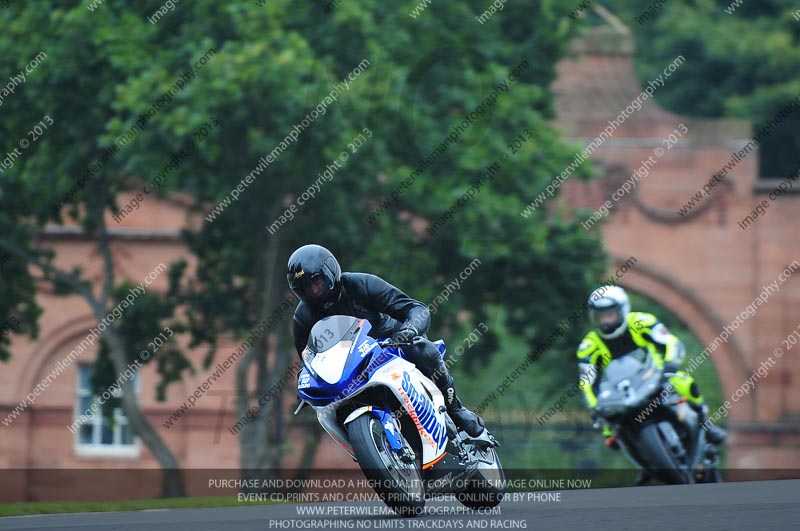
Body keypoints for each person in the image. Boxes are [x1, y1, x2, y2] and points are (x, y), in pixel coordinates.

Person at [287, 244, 485, 437]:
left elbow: (415, 309)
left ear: (330, 272)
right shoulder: (303, 318)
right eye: (304, 288)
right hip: (350, 372)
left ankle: (455, 409)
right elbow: (308, 361)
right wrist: (305, 388)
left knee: (422, 349)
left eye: (316, 282)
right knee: (328, 405)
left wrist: (409, 330)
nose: (313, 291)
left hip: (389, 346)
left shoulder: (360, 284)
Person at [576, 285, 726, 449]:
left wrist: (671, 364)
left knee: (683, 381)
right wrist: (594, 406)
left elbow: (671, 342)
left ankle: (705, 422)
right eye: (600, 316)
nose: (605, 320)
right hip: (619, 396)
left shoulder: (641, 322)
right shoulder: (588, 345)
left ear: (622, 310)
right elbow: (586, 382)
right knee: (607, 429)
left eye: (610, 314)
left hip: (654, 379)